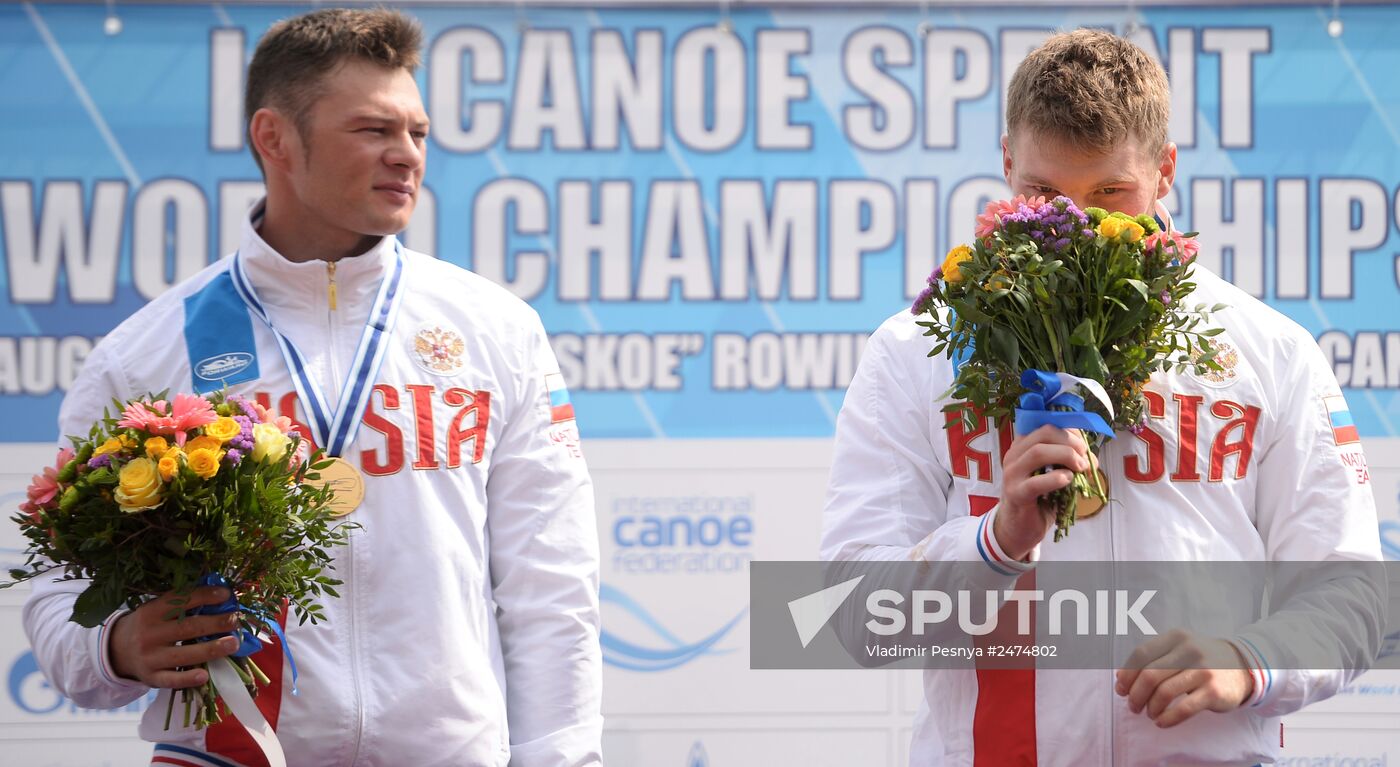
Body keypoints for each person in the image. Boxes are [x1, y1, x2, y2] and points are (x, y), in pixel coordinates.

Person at [22, 9, 603, 766]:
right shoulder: (144, 355)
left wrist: (562, 758)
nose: (407, 157)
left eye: (417, 133)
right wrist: (117, 643)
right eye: (372, 130)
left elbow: (550, 583)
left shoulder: (496, 327)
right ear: (274, 138)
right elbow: (54, 594)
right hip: (230, 755)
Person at [821, 29, 1383, 766]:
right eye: (1043, 194)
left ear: (1166, 170)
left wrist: (1251, 659)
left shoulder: (1269, 350)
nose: (1077, 227)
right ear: (1005, 165)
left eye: (1110, 193)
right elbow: (851, 614)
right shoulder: (914, 352)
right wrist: (994, 542)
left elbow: (1353, 594)